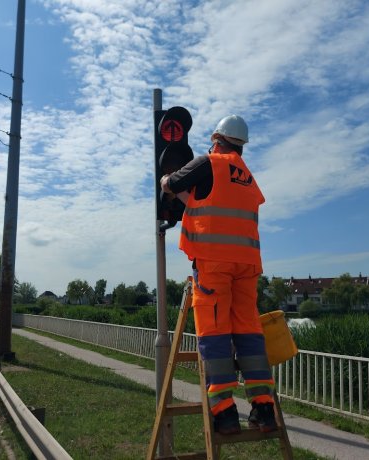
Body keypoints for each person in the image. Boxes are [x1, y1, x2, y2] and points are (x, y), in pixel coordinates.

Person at [160, 115, 276, 435]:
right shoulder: (249, 178)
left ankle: (224, 412)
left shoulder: (209, 163)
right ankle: (264, 408)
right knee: (248, 331)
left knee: (215, 332)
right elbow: (210, 205)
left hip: (214, 262)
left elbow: (172, 185)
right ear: (242, 146)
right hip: (248, 265)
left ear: (216, 138)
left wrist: (164, 181)